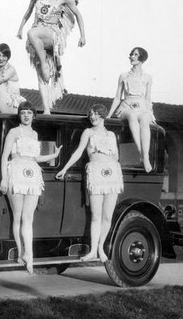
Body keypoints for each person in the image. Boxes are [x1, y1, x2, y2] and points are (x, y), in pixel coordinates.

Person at [16, 0, 86, 114]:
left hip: (52, 35)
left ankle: (45, 63)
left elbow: (78, 14)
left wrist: (83, 35)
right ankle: (47, 109)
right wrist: (20, 28)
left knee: (32, 34)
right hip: (36, 37)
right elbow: (28, 11)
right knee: (41, 73)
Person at [0, 101, 62, 274]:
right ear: (19, 115)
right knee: (18, 216)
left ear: (34, 116)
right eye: (23, 112)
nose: (26, 115)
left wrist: (54, 155)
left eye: (29, 112)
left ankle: (29, 255)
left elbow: (35, 158)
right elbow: (5, 156)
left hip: (32, 175)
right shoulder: (13, 132)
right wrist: (4, 178)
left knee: (29, 217)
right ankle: (21, 253)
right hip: (16, 173)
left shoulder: (35, 134)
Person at [56, 104, 123, 262]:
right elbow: (79, 151)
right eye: (91, 114)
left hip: (112, 174)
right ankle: (93, 250)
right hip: (95, 172)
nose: (93, 117)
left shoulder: (111, 135)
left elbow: (116, 156)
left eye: (96, 114)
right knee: (96, 215)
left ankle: (101, 248)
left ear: (103, 116)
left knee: (107, 216)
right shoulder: (88, 132)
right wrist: (65, 168)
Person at [107, 47, 154, 172]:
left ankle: (146, 156)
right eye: (132, 54)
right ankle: (141, 153)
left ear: (141, 58)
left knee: (145, 119)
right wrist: (109, 115)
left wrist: (151, 114)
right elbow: (118, 97)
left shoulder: (148, 77)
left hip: (142, 106)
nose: (132, 57)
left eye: (135, 54)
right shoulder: (123, 76)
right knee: (132, 115)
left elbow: (148, 99)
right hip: (127, 107)